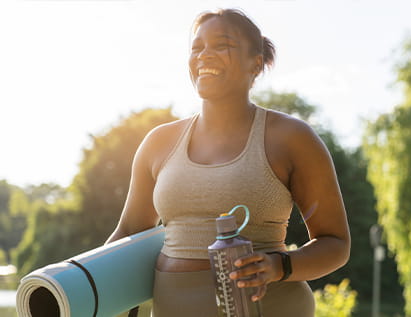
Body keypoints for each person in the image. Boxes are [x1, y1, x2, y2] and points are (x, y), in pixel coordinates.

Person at [106, 8, 350, 317]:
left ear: (256, 63)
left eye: (221, 45)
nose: (204, 55)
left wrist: (279, 266)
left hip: (270, 308)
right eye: (197, 47)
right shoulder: (158, 142)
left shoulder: (291, 138)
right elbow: (128, 232)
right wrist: (78, 285)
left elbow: (336, 243)